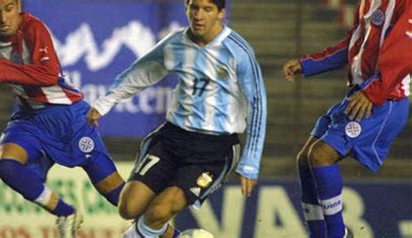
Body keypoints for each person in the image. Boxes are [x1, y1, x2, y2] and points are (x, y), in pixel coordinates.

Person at [87, 0, 267, 237]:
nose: (199, 15)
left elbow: (258, 105)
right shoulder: (176, 44)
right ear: (186, 8)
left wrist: (251, 163)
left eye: (207, 9)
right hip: (173, 137)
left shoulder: (238, 52)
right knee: (129, 208)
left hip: (214, 149)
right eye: (194, 7)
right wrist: (105, 102)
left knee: (158, 212)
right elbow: (143, 71)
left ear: (221, 13)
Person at [0, 0, 125, 237]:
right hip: (29, 117)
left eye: (8, 9)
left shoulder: (33, 28)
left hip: (68, 118)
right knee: (5, 163)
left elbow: (48, 75)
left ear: (18, 5)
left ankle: (175, 235)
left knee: (122, 200)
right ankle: (66, 213)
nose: (3, 18)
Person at [283, 0, 411, 237]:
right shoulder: (367, 3)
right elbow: (354, 46)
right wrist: (309, 64)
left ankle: (336, 234)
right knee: (305, 159)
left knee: (321, 156)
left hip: (384, 100)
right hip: (360, 94)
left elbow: (405, 50)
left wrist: (373, 93)